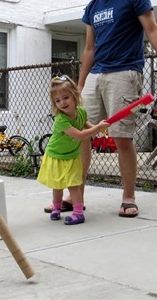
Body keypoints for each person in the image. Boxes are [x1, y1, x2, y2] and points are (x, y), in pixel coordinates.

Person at [45, 0, 157, 218]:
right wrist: (81, 84)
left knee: (121, 137)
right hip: (96, 74)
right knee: (82, 135)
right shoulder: (93, 7)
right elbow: (89, 49)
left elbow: (152, 29)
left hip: (125, 72)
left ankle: (128, 197)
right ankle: (76, 199)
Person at [38, 75, 109, 225]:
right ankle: (56, 208)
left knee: (73, 184)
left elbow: (86, 125)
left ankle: (78, 213)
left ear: (75, 96)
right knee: (57, 185)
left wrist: (99, 129)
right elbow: (81, 135)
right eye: (57, 100)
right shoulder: (61, 120)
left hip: (71, 156)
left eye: (65, 97)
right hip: (55, 156)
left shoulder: (81, 112)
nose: (62, 103)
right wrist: (98, 127)